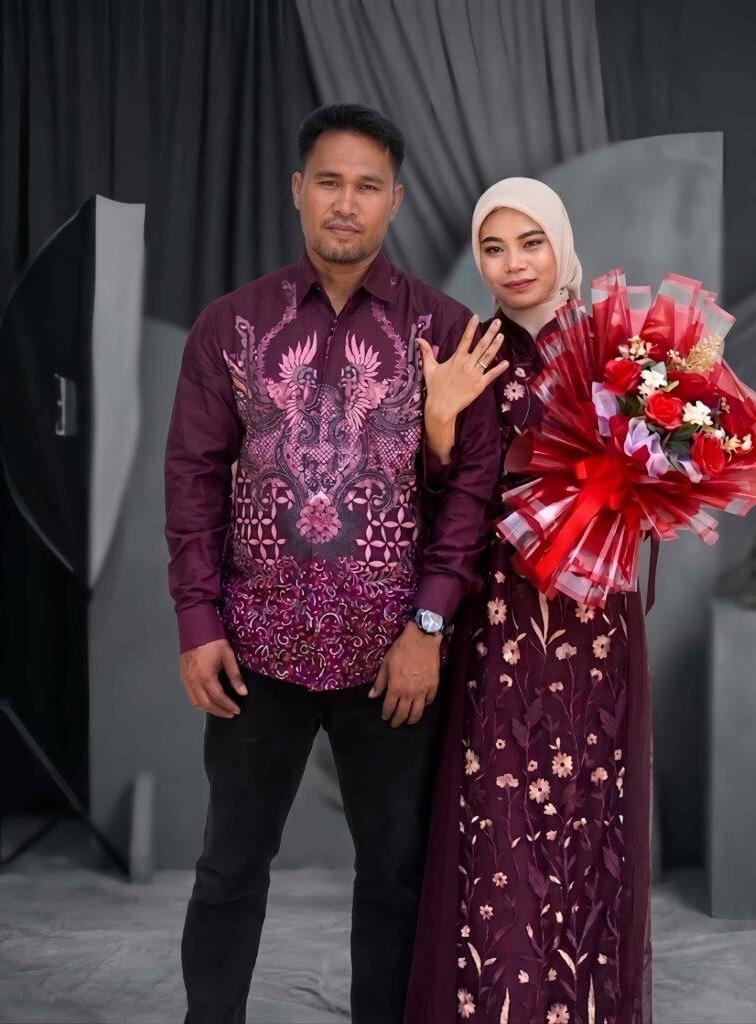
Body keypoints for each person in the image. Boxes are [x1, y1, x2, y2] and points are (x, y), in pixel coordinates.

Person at [164, 103, 504, 1024]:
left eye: (365, 185)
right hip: (254, 651)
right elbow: (193, 477)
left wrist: (427, 626)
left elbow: (471, 493)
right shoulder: (230, 326)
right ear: (297, 190)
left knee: (395, 874)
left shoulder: (447, 331)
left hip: (393, 658)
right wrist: (197, 621)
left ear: (396, 200)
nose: (344, 203)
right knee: (229, 867)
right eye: (328, 181)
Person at [404, 178, 653, 1024]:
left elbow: (662, 479)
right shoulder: (470, 352)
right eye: (493, 247)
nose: (513, 263)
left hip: (595, 626)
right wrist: (439, 422)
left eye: (530, 242)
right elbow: (439, 499)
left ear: (561, 244)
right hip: (501, 621)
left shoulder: (619, 350)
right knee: (500, 815)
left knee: (588, 812)